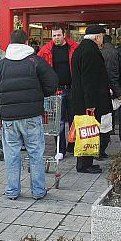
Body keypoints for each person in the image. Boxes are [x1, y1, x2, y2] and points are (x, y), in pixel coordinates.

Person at [0, 29, 58, 200]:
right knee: (35, 153)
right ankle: (39, 191)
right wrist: (39, 94)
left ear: (10, 44)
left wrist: (4, 98)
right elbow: (52, 82)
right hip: (32, 116)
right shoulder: (36, 61)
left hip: (9, 118)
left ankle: (12, 191)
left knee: (11, 154)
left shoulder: (1, 64)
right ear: (26, 43)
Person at [71, 25, 113, 173]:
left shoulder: (81, 50)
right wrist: (90, 104)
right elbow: (88, 80)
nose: (102, 40)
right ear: (96, 37)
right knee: (87, 132)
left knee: (87, 132)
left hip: (82, 100)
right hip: (87, 102)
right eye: (102, 36)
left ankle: (86, 162)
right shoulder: (90, 52)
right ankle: (84, 164)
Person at [38, 24, 79, 158]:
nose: (56, 38)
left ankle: (73, 146)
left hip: (73, 89)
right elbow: (38, 68)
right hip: (56, 91)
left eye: (58, 35)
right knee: (58, 121)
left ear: (64, 35)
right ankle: (60, 149)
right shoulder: (45, 50)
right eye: (54, 35)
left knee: (75, 120)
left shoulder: (74, 48)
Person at [100, 34, 121, 158]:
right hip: (112, 89)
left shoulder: (99, 52)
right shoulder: (116, 53)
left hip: (101, 90)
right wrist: (119, 92)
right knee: (109, 119)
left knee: (102, 120)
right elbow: (115, 74)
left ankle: (100, 149)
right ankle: (103, 148)